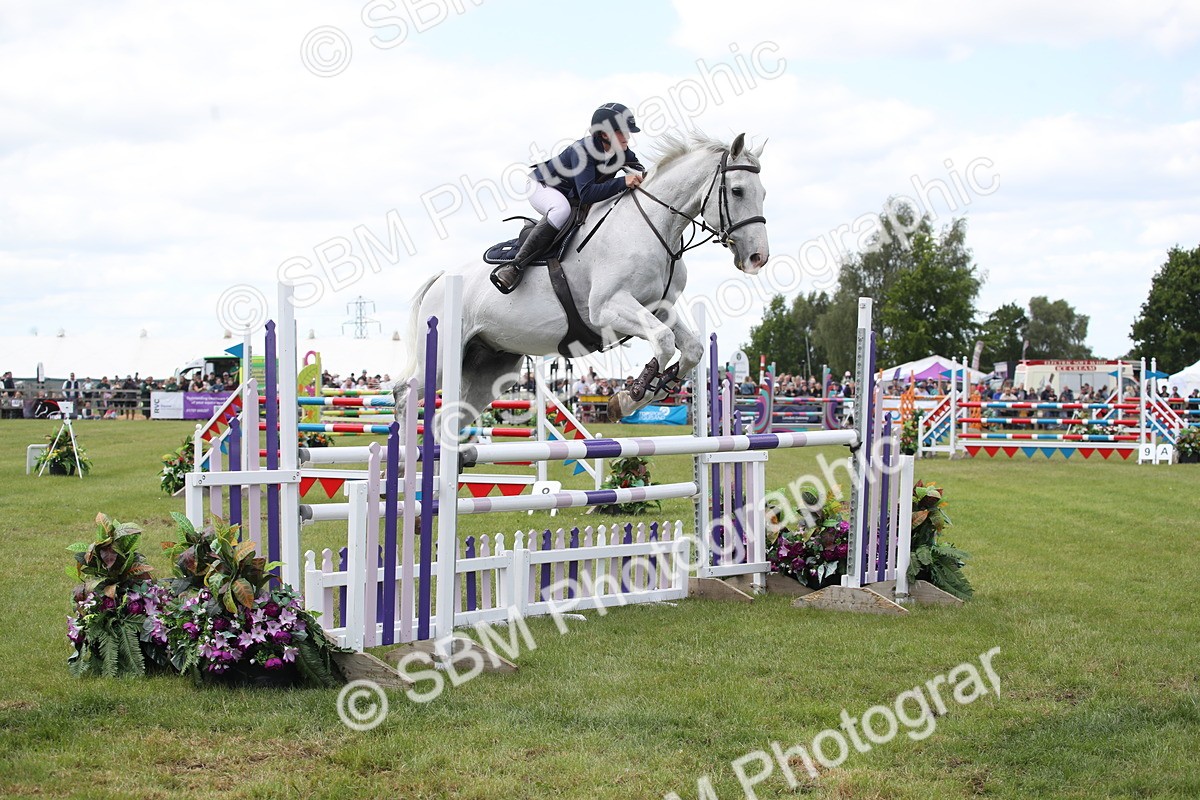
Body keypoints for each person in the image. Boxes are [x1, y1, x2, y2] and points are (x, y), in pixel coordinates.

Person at [490, 103, 646, 294]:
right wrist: (623, 182)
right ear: (605, 134)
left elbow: (640, 173)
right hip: (544, 186)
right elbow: (587, 193)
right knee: (561, 210)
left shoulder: (622, 151)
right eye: (622, 132)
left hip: (571, 193)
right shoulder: (584, 151)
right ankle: (515, 266)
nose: (628, 137)